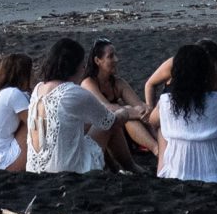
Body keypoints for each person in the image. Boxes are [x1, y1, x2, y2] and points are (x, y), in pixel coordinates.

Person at [27, 38, 141, 174]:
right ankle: (131, 167)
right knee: (111, 123)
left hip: (34, 169)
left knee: (89, 124)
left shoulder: (38, 89)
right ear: (74, 67)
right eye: (82, 65)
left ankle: (115, 170)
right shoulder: (72, 92)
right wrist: (125, 112)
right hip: (67, 169)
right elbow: (109, 121)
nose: (84, 69)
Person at [150, 43, 217, 184]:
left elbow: (152, 121)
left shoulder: (166, 101)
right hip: (216, 175)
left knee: (162, 129)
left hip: (176, 173)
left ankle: (161, 174)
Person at [80, 39, 159, 169]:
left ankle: (160, 147)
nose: (116, 59)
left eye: (115, 55)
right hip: (95, 133)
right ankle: (156, 149)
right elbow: (106, 108)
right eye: (110, 56)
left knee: (135, 113)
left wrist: (144, 111)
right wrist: (136, 112)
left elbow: (140, 105)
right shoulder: (88, 83)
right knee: (126, 114)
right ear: (97, 61)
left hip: (121, 133)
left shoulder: (118, 83)